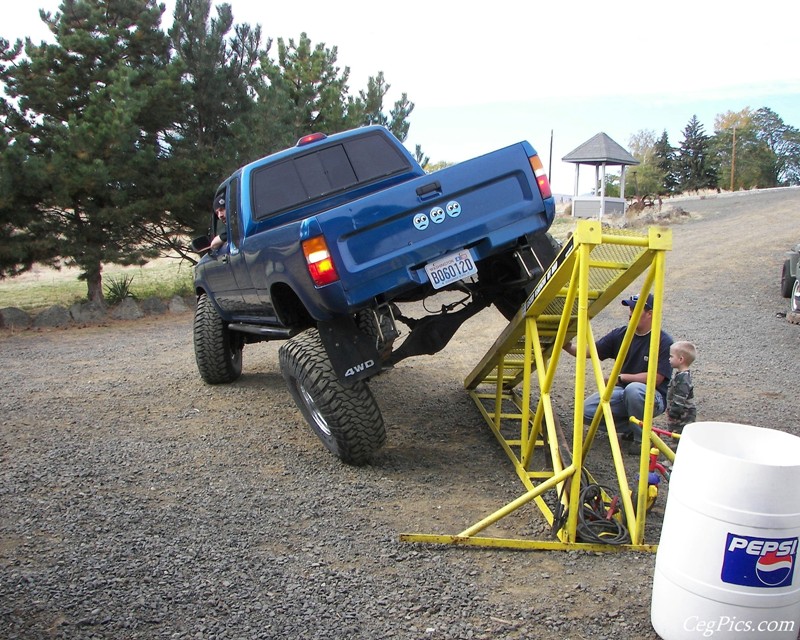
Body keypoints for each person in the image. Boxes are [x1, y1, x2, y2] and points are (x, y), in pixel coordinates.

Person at [563, 293, 673, 451]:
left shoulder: (663, 341)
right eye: (630, 308)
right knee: (585, 411)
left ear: (649, 314)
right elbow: (590, 351)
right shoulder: (621, 334)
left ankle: (642, 439)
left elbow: (656, 379)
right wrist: (566, 346)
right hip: (624, 392)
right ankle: (632, 425)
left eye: (635, 309)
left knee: (633, 390)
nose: (630, 313)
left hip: (652, 396)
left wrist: (621, 378)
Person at [665, 340, 697, 432]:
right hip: (680, 414)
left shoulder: (683, 378)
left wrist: (673, 413)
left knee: (678, 435)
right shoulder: (681, 375)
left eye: (671, 356)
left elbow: (680, 398)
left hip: (683, 416)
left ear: (681, 359)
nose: (669, 359)